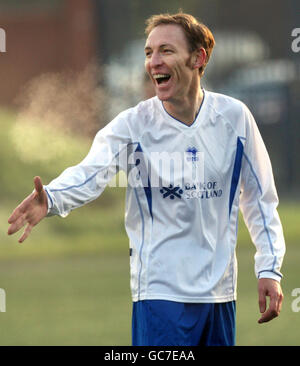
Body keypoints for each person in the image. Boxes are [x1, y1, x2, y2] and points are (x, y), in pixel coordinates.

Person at [7, 12, 285, 346]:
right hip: (160, 294)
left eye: (165, 50)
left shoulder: (234, 118)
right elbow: (91, 172)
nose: (153, 62)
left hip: (220, 295)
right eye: (149, 52)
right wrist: (51, 198)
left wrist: (269, 267)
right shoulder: (133, 125)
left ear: (198, 58)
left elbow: (259, 198)